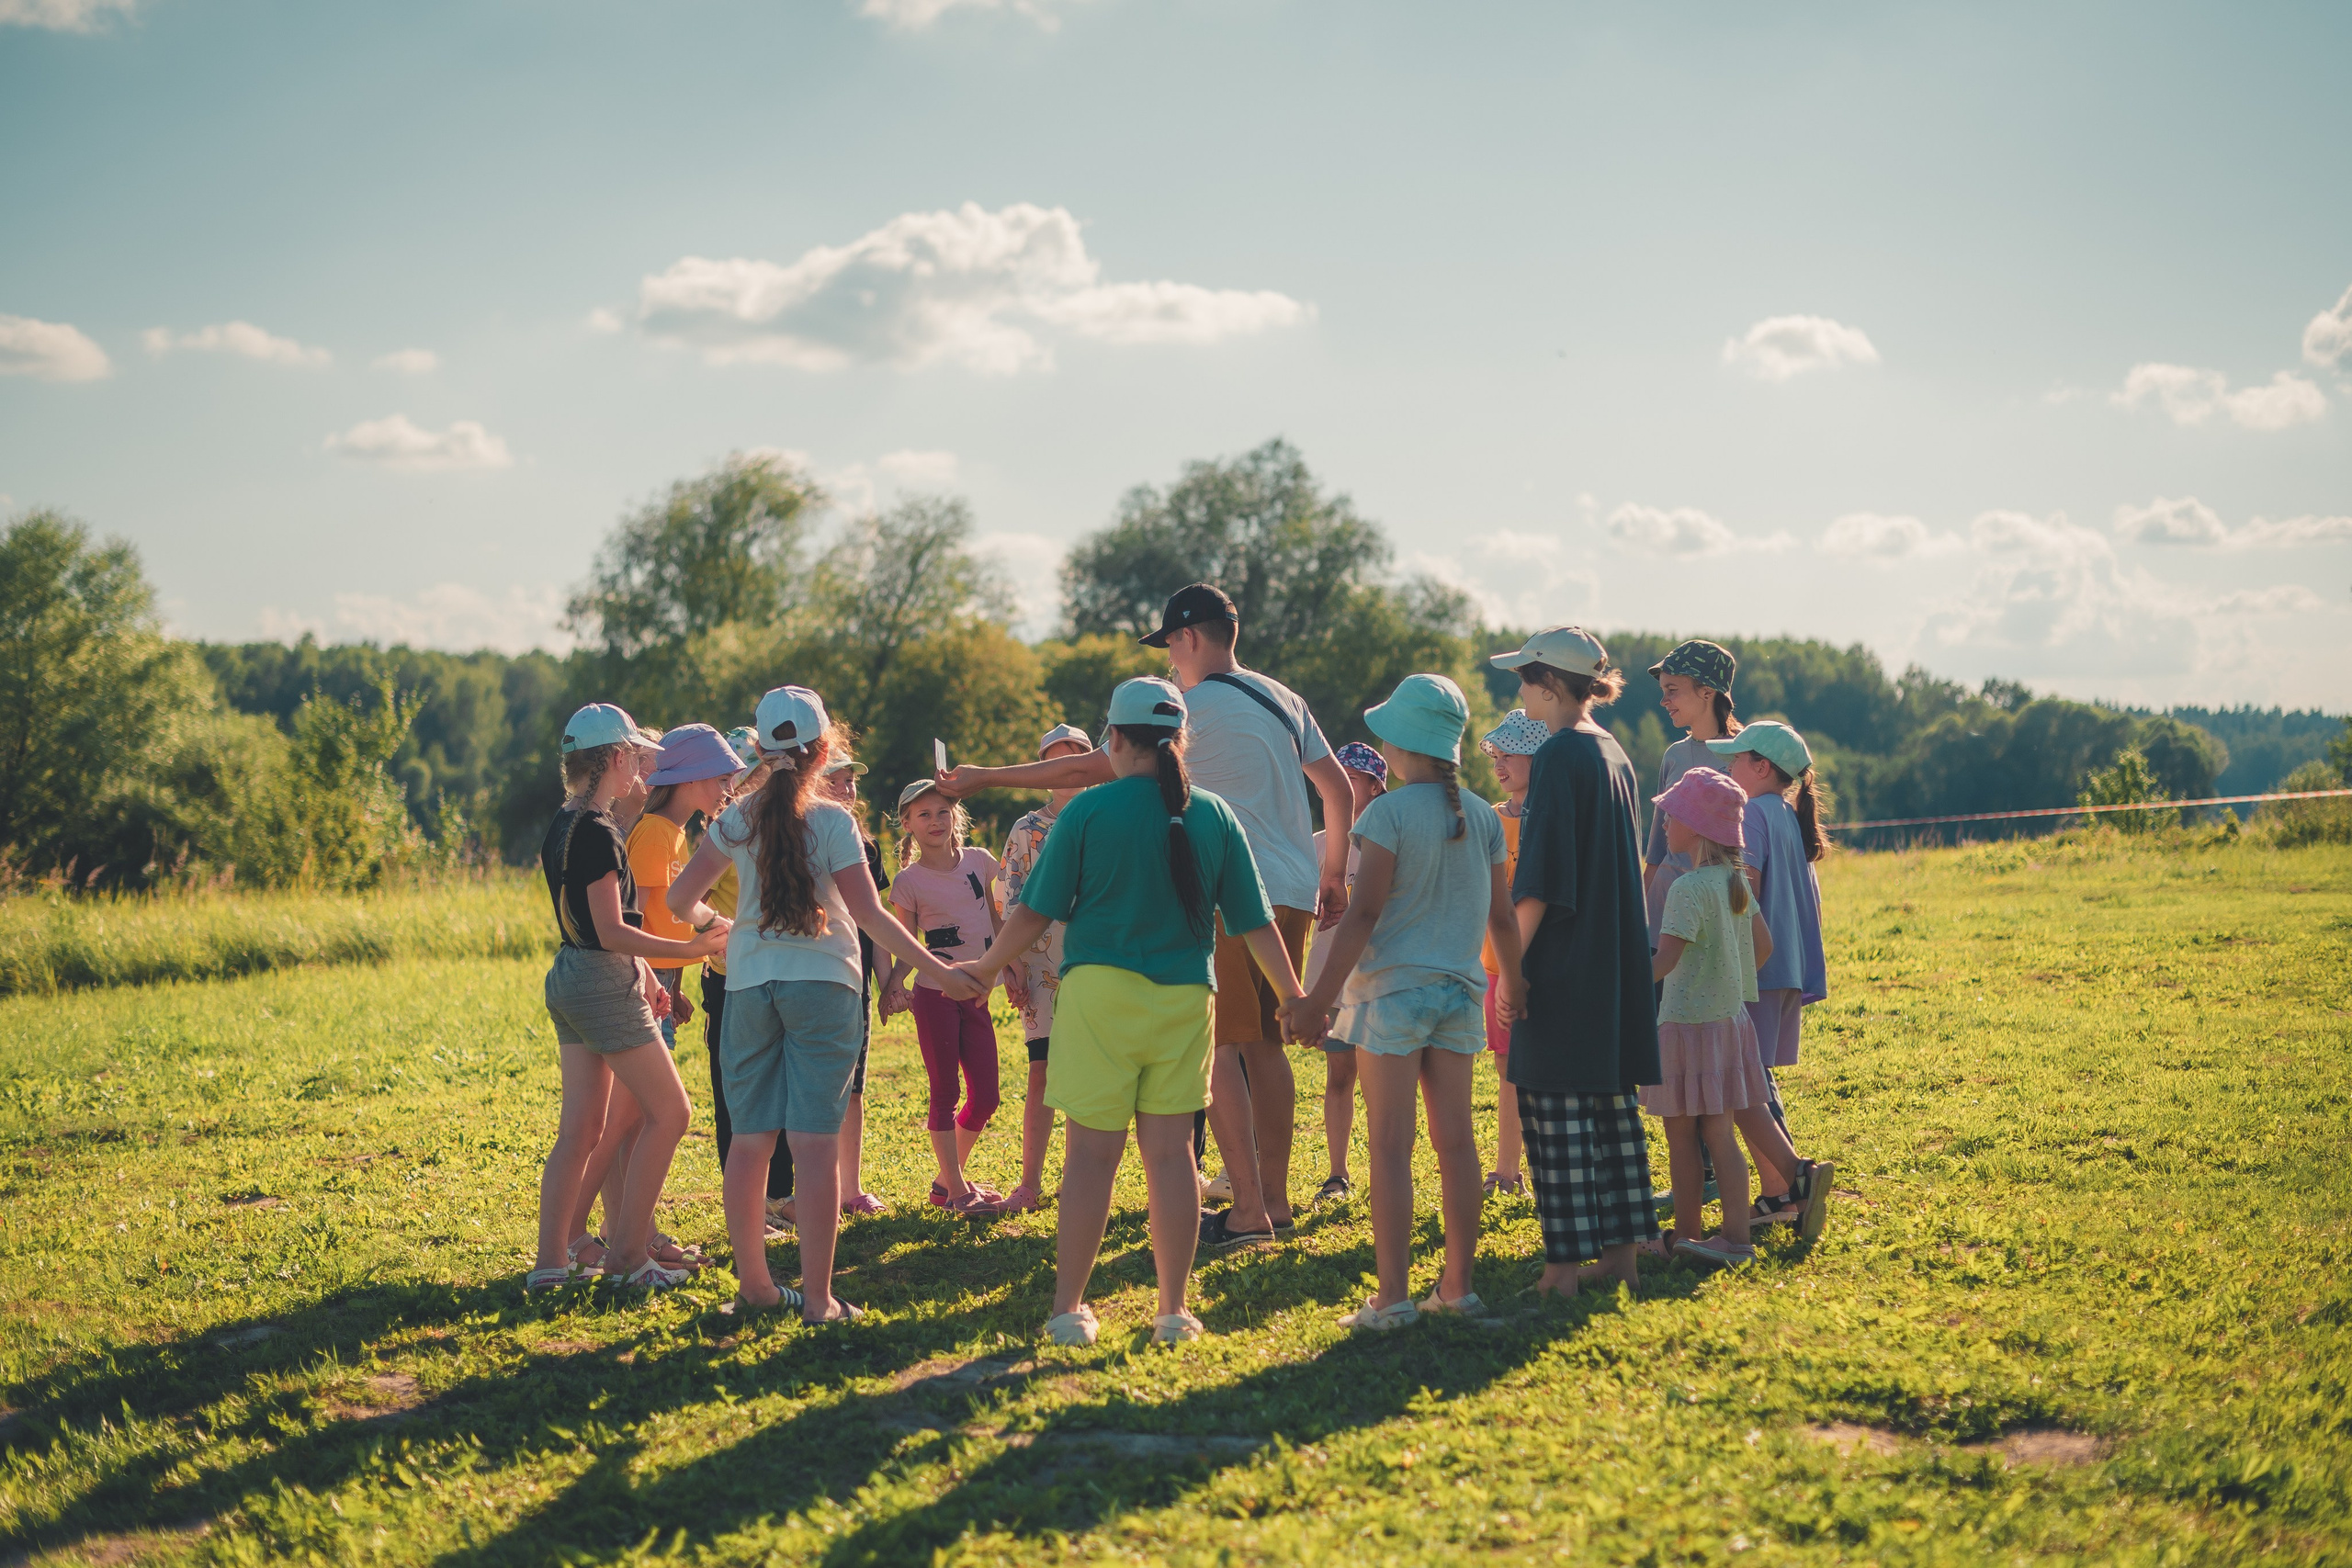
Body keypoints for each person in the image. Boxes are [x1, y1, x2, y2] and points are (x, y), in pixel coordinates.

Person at [935, 583, 1357, 1248]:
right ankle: (1274, 1199)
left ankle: (1248, 1207)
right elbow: (1334, 786)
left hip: (1217, 884)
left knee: (1222, 1045)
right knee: (1268, 1044)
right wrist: (1333, 869)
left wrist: (987, 776)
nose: (1170, 663)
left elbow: (1095, 766)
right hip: (1293, 887)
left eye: (1169, 648)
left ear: (1188, 638)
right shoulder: (1286, 698)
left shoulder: (1183, 709)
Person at [955, 678, 1309, 1346]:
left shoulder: (1087, 813)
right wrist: (1292, 995)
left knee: (1091, 1156)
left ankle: (1068, 1310)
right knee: (1172, 1155)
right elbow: (1255, 922)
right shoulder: (1214, 813)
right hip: (1186, 1000)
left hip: (1098, 999)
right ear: (1181, 740)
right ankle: (1173, 1310)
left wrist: (981, 966)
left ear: (1113, 740)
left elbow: (1034, 909)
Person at [667, 686, 983, 1323]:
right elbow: (869, 915)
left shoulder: (736, 817)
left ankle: (754, 1286)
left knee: (750, 1142)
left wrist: (716, 924)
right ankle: (818, 1301)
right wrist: (938, 971)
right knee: (815, 1146)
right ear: (823, 749)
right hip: (826, 987)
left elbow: (679, 900)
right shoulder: (838, 822)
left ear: (758, 749)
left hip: (750, 985)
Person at [1291, 676, 1521, 1330]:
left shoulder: (1385, 815)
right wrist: (1519, 981)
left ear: (1403, 742)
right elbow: (1501, 916)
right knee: (1457, 1144)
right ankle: (1458, 1286)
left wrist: (1317, 1001)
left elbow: (1363, 912)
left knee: (1390, 1145)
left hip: (1389, 995)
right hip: (1459, 995)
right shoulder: (1480, 813)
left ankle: (1391, 1298)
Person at [526, 704, 728, 1294]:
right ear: (615, 759)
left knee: (582, 1130)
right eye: (637, 755)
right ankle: (629, 1256)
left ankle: (550, 1267)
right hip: (599, 982)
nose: (643, 766)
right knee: (673, 1113)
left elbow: (590, 926)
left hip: (571, 977)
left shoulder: (566, 822)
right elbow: (610, 930)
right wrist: (693, 949)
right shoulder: (598, 831)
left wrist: (643, 967)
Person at [1489, 626, 1663, 1298]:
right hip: (1611, 965)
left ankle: (1560, 1273)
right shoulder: (1611, 749)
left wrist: (1511, 969)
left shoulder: (1560, 754)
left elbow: (1539, 880)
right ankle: (1620, 1259)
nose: (1520, 688)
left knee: (1554, 1117)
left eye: (1525, 677)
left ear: (1551, 683)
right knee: (1611, 1117)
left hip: (1560, 967)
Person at [1642, 767, 1776, 1267]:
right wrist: (1728, 980)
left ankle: (1689, 1232)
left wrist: (1622, 983)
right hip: (1727, 1022)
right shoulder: (1735, 882)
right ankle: (1735, 1241)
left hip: (1684, 1027)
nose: (1664, 822)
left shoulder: (1687, 889)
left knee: (1680, 1135)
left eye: (1671, 814)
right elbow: (1763, 947)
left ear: (1696, 827)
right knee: (1719, 1133)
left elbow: (1665, 962)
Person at [1707, 719, 1835, 1240]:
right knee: (1752, 1077)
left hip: (1754, 969)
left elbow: (1746, 892)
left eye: (1735, 759)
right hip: (1785, 967)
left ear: (1760, 768)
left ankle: (1792, 1179)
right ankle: (1778, 1193)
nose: (1727, 766)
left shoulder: (1753, 813)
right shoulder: (1784, 813)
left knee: (1740, 1080)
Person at [886, 777, 1008, 1214]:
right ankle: (956, 1191)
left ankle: (945, 1182)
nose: (935, 821)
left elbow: (997, 922)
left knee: (988, 1096)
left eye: (942, 811)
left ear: (955, 815)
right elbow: (906, 943)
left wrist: (1007, 966)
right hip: (934, 997)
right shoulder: (908, 881)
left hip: (977, 994)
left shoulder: (980, 862)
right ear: (907, 825)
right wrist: (893, 984)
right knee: (945, 1092)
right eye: (924, 815)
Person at [994, 722, 1097, 1214]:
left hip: (1099, 963)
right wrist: (1010, 962)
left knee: (1091, 1072)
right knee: (1043, 1071)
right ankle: (1029, 1183)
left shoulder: (1107, 817)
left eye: (1073, 759)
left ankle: (1078, 1182)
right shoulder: (1026, 830)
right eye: (1053, 763)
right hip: (1040, 968)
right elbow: (1008, 899)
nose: (1065, 771)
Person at [698, 730, 795, 1239]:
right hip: (729, 979)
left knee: (777, 1093)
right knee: (735, 1097)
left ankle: (779, 1197)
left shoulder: (780, 825)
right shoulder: (718, 833)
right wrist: (723, 934)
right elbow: (683, 901)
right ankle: (750, 1211)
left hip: (778, 975)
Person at [1300, 742, 1387, 1205]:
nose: (1341, 786)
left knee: (1382, 1080)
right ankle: (1337, 1174)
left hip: (1379, 979)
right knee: (1340, 1075)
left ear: (1376, 786)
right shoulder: (1316, 845)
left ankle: (1384, 1171)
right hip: (1331, 981)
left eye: (1352, 778)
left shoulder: (1388, 843)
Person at [1476, 709, 1547, 1198]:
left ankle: (1546, 1170)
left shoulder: (1551, 822)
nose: (1499, 763)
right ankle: (1506, 1170)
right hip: (1494, 967)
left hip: (1543, 968)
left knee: (1544, 1072)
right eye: (1495, 755)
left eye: (1510, 753)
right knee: (1507, 1071)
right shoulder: (1489, 820)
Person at [1641, 640, 1741, 947]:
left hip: (1717, 906)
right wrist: (1637, 913)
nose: (1664, 701)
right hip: (1664, 905)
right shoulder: (1673, 756)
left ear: (1707, 691)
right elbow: (1657, 848)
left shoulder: (1744, 757)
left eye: (1673, 690)